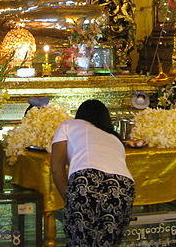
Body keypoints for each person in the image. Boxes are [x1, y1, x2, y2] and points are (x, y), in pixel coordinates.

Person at [51, 99, 135, 246]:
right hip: (123, 186)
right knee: (109, 242)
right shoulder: (115, 138)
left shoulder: (68, 125)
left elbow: (57, 169)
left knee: (81, 241)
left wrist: (69, 200)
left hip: (87, 179)